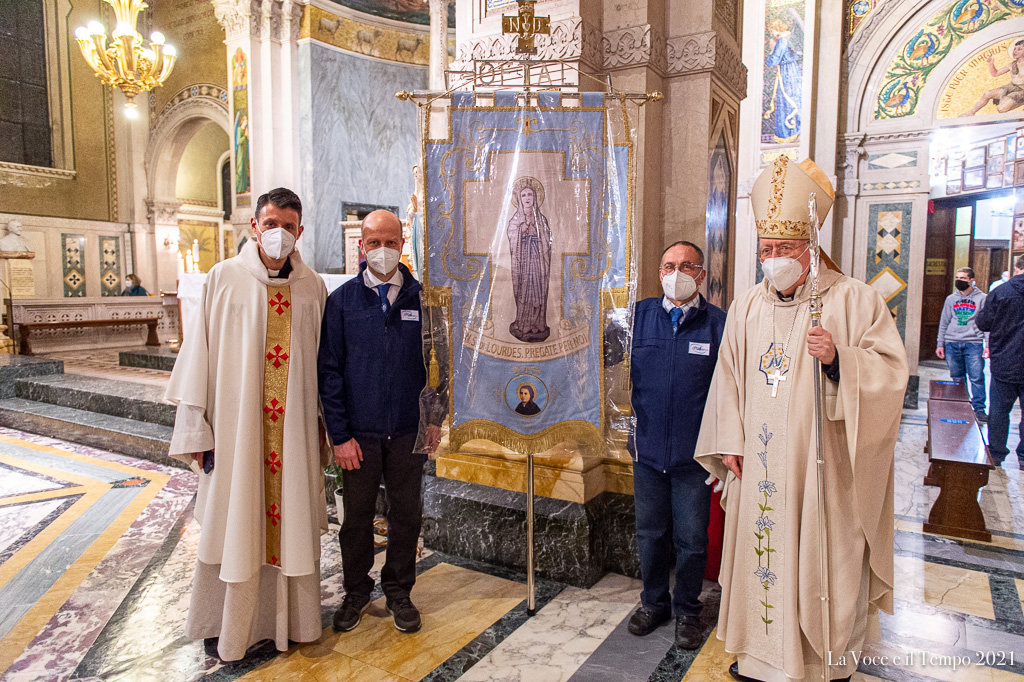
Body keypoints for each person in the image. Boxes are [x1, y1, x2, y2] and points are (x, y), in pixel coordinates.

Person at [695, 157, 908, 682]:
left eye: (786, 249)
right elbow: (728, 379)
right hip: (759, 468)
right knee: (762, 564)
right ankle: (762, 660)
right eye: (767, 250)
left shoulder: (854, 299)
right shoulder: (747, 306)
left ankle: (817, 666)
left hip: (824, 471)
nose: (775, 259)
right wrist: (729, 441)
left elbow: (889, 375)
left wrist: (839, 360)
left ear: (811, 247)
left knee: (822, 562)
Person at [164, 187, 328, 662]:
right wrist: (195, 428)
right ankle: (230, 626)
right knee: (236, 521)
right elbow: (198, 358)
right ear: (254, 226)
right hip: (237, 435)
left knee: (289, 518)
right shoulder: (224, 278)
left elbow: (323, 366)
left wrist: (323, 426)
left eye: (289, 226)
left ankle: (294, 621)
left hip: (293, 433)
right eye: (270, 223)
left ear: (301, 232)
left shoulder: (312, 286)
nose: (279, 233)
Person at [318, 210, 441, 635]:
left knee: (407, 514)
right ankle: (356, 590)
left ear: (402, 245)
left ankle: (399, 589)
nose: (382, 250)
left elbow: (436, 366)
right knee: (356, 520)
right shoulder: (342, 302)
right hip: (359, 435)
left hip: (409, 430)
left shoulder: (423, 300)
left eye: (390, 242)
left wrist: (435, 419)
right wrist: (340, 435)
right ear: (361, 247)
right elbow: (329, 372)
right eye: (374, 243)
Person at [627, 240, 725, 650]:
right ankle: (653, 602)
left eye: (686, 266)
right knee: (650, 534)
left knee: (691, 539)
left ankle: (687, 609)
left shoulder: (719, 324)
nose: (676, 273)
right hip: (646, 452)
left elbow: (729, 392)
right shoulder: (637, 317)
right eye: (668, 265)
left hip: (694, 457)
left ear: (701, 275)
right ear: (659, 272)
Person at [975, 255, 1024, 466]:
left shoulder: (1001, 292)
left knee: (999, 411)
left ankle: (996, 453)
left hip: (1005, 361)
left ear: (1016, 268)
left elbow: (984, 323)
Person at [936, 267, 988, 422]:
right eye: (957, 277)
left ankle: (979, 409)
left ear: (972, 280)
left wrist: (988, 345)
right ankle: (960, 405)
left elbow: (986, 323)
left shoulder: (982, 298)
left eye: (963, 278)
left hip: (973, 342)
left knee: (976, 377)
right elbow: (944, 322)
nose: (959, 281)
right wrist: (940, 343)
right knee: (957, 377)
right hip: (952, 342)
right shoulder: (951, 299)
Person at [507, 177, 552, 342]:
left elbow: (547, 238)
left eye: (530, 195)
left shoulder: (541, 219)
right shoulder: (515, 219)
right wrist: (522, 229)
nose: (527, 198)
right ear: (519, 198)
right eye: (524, 195)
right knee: (525, 291)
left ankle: (538, 325)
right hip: (523, 260)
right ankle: (524, 324)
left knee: (538, 291)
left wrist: (537, 229)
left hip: (538, 261)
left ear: (535, 198)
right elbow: (511, 234)